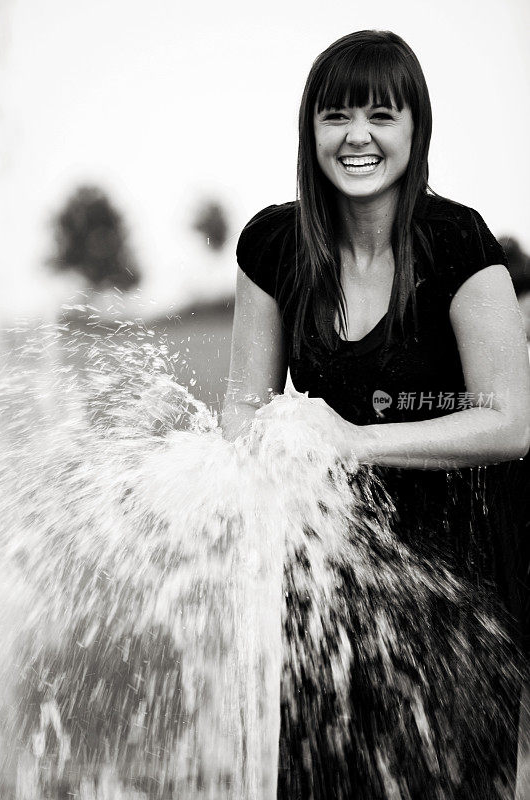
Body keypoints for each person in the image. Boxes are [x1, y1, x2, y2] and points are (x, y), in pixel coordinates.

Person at [221, 30, 530, 799]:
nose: (358, 136)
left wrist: (355, 440)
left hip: (455, 583)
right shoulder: (273, 246)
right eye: (337, 116)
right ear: (311, 131)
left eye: (382, 115)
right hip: (326, 580)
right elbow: (243, 404)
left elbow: (511, 420)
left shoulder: (459, 242)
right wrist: (236, 470)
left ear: (415, 130)